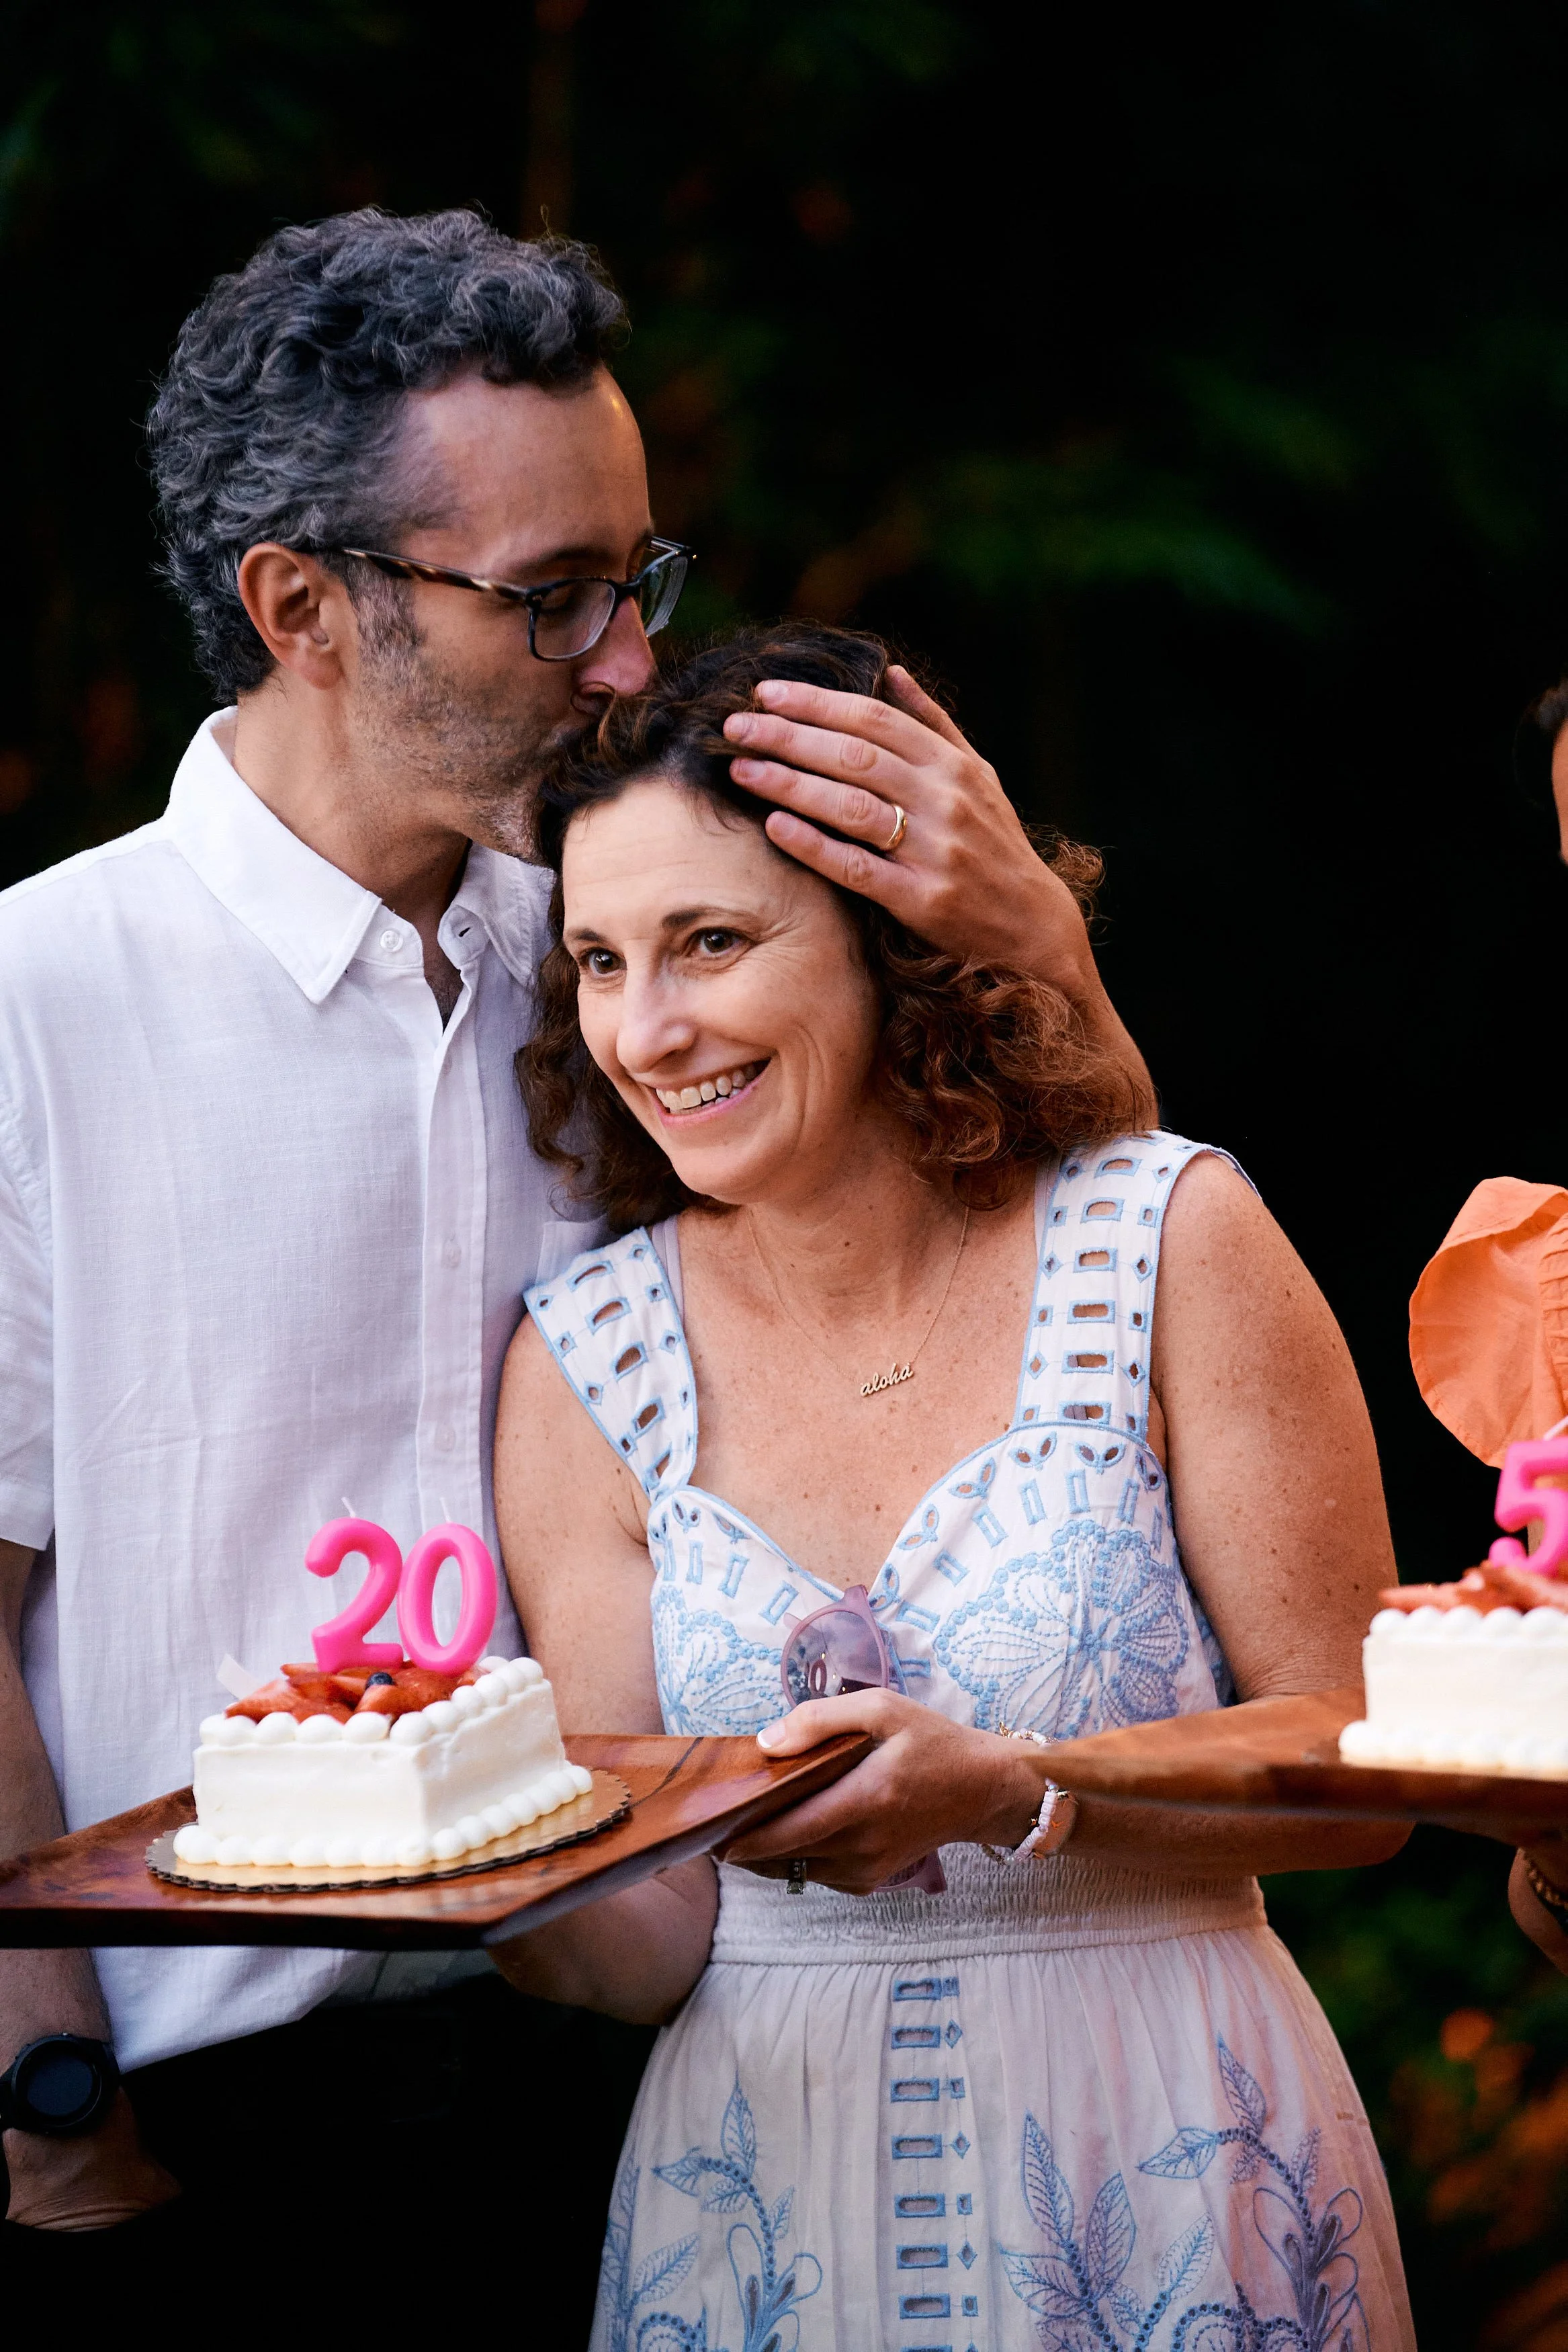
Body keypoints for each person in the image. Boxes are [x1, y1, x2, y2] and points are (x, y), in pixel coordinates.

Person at [0, 208, 1141, 2287]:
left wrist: (1035, 948)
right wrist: (55, 2127)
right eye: (547, 601)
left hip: (661, 2084)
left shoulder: (643, 975)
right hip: (193, 2137)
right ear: (299, 608)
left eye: (637, 581)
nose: (627, 660)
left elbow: (1079, 1320)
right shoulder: (35, 999)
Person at [491, 622, 1417, 2349]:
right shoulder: (584, 1360)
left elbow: (1366, 1767)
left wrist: (1018, 1786)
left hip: (1169, 2147)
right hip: (765, 2194)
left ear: (882, 938)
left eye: (709, 941)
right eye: (599, 962)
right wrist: (486, 1887)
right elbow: (653, 1932)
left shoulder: (1168, 1232)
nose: (651, 1025)